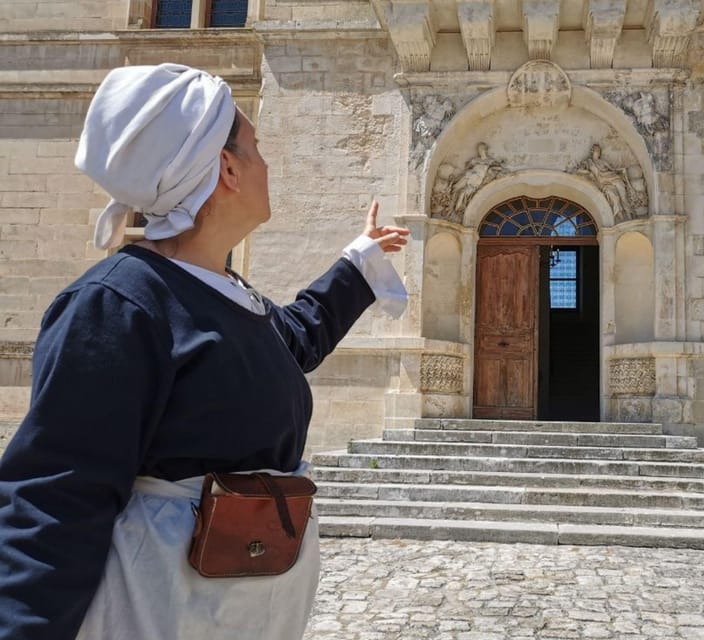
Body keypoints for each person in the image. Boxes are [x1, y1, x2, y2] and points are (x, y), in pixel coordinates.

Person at [0, 63, 409, 639]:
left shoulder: (226, 291)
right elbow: (57, 492)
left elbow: (291, 341)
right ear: (227, 168)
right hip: (160, 609)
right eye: (259, 148)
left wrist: (358, 263)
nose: (270, 163)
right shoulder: (117, 302)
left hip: (237, 609)